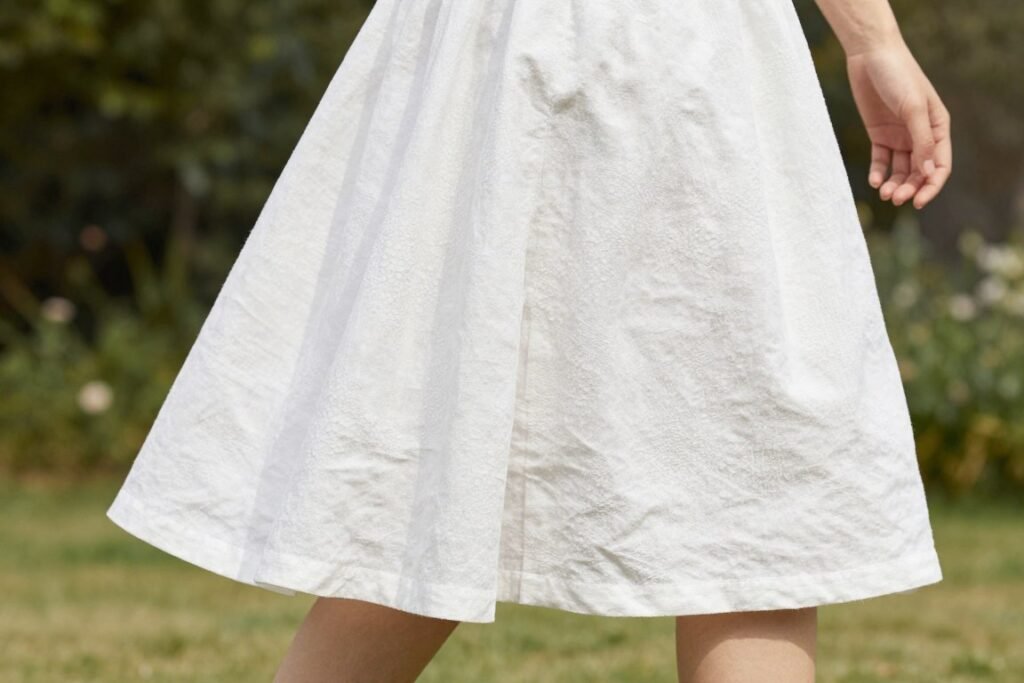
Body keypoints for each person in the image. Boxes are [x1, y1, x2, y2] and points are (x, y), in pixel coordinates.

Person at [105, 0, 951, 681]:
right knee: (748, 476)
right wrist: (871, 38)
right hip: (670, 48)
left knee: (432, 454)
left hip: (490, 49)